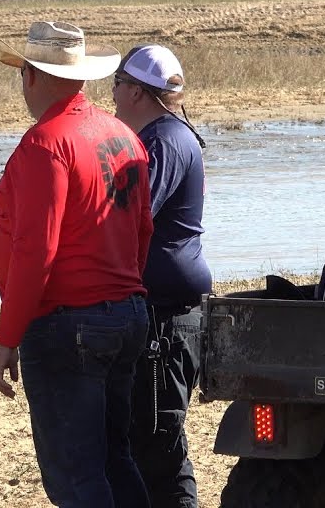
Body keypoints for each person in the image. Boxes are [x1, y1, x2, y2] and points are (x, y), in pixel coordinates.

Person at [0, 20, 153, 508]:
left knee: (77, 479)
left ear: (33, 77)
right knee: (113, 458)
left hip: (69, 324)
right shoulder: (123, 135)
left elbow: (36, 252)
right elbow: (143, 230)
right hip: (124, 314)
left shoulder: (46, 144)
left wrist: (7, 337)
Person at [112, 44, 210, 508]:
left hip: (166, 322)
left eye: (117, 85)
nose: (111, 96)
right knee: (146, 439)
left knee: (158, 446)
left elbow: (133, 216)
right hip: (164, 314)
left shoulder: (163, 142)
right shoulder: (167, 135)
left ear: (136, 91)